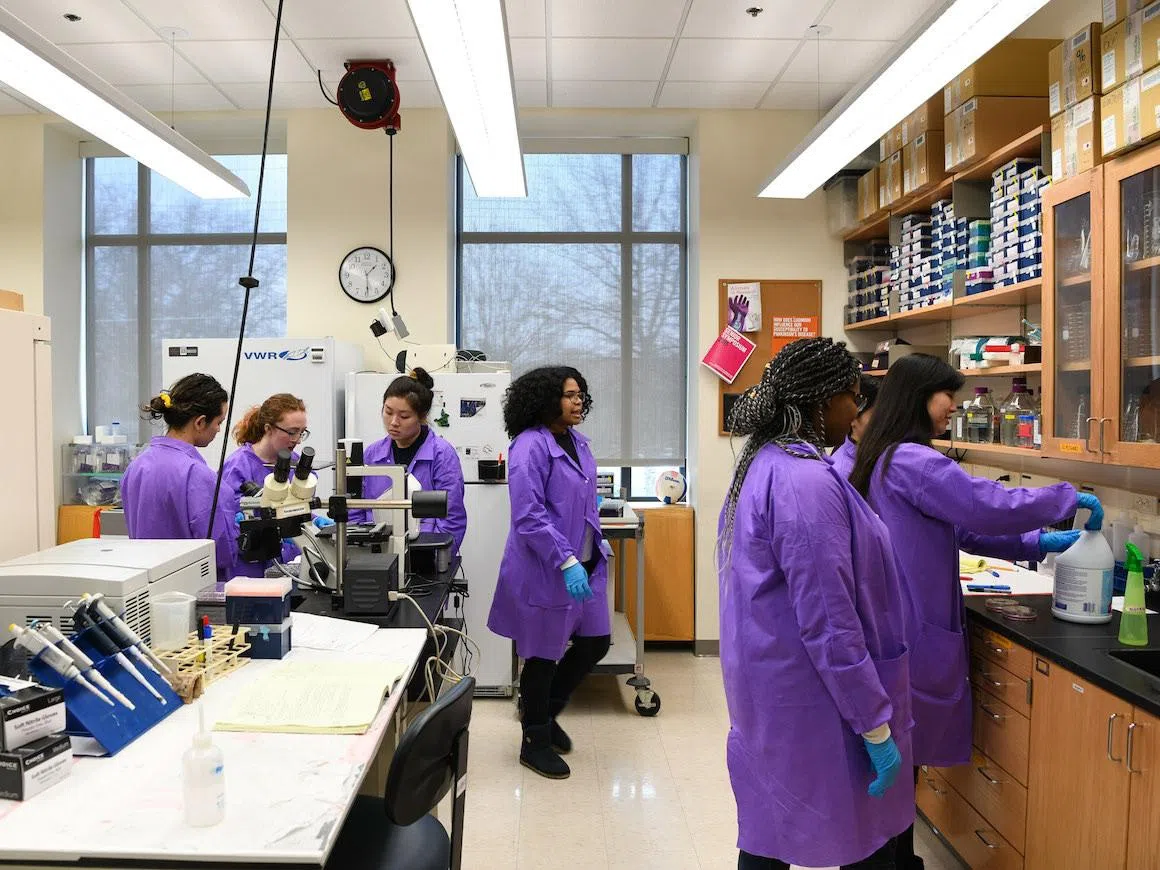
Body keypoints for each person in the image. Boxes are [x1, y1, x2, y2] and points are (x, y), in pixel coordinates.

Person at [848, 353, 1101, 870]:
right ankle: (892, 863)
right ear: (921, 397)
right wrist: (1063, 497)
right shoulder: (914, 461)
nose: (953, 409)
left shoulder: (883, 456)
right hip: (913, 634)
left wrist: (1036, 541)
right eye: (949, 398)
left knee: (898, 769)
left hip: (896, 630)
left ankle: (899, 860)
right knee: (896, 770)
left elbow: (960, 528)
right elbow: (986, 504)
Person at [718, 338, 914, 870]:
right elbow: (829, 620)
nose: (856, 412)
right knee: (854, 834)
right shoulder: (803, 481)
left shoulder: (770, 461)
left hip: (776, 684)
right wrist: (874, 724)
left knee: (769, 832)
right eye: (852, 397)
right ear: (820, 401)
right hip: (820, 699)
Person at [487, 366, 610, 781]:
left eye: (581, 394)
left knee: (596, 642)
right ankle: (534, 741)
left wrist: (590, 552)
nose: (578, 402)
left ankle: (544, 710)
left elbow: (584, 500)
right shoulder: (529, 446)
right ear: (545, 399)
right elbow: (529, 515)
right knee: (542, 656)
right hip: (546, 566)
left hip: (584, 563)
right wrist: (565, 559)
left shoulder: (577, 441)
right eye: (569, 394)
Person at [121, 373, 237, 579]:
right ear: (200, 422)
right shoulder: (197, 475)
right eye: (219, 422)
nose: (219, 430)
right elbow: (220, 552)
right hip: (190, 589)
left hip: (145, 584)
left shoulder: (136, 466)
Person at [350, 369, 467, 555]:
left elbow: (451, 517)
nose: (393, 422)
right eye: (388, 412)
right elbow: (355, 508)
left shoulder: (442, 454)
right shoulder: (372, 454)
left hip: (426, 555)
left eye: (404, 416)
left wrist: (436, 560)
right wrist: (358, 551)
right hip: (375, 554)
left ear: (422, 417)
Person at [221, 393, 310, 577]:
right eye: (292, 432)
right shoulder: (238, 465)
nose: (298, 440)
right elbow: (225, 521)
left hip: (287, 564)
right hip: (249, 567)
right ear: (268, 428)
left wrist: (314, 521)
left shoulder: (295, 462)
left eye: (302, 432)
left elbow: (299, 507)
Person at [831, 372, 879, 477]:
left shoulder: (874, 456)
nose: (883, 421)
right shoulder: (842, 471)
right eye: (876, 415)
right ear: (854, 417)